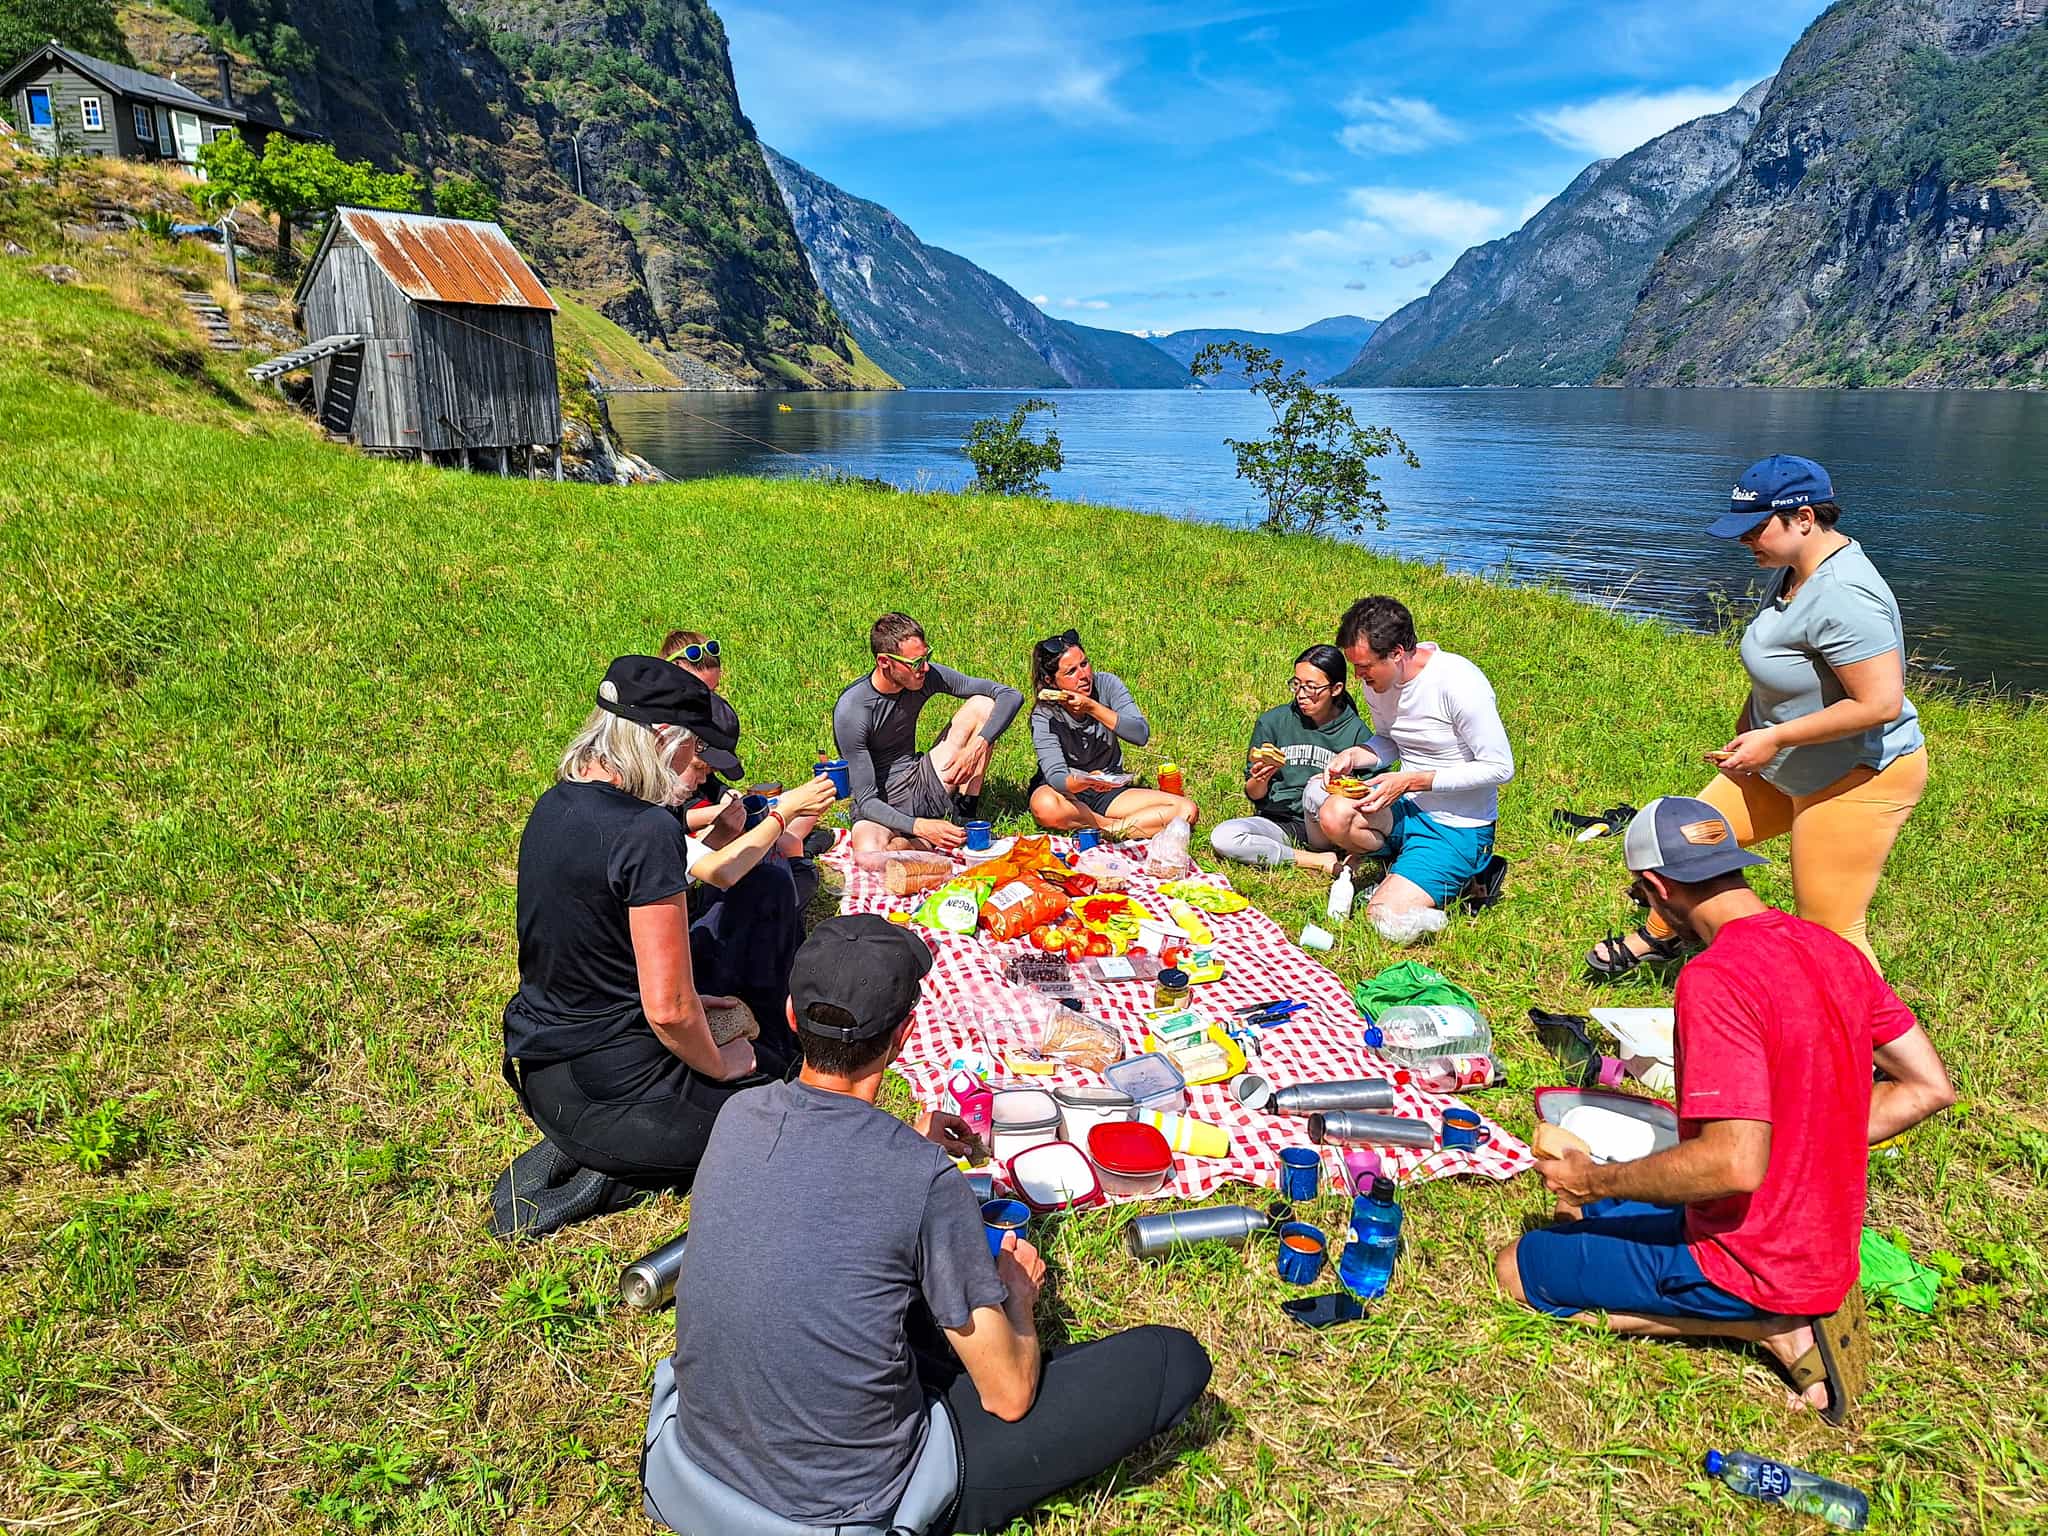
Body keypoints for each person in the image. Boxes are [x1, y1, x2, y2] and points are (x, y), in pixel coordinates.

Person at [644, 914, 1213, 1535]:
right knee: (1171, 1360)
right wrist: (1019, 1302)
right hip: (840, 1509)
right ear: (904, 1035)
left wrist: (912, 1149)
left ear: (788, 1015)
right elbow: (1008, 1394)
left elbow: (818, 1199)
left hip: (696, 1463)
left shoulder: (739, 1115)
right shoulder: (921, 1180)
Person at [1496, 797, 1954, 1426]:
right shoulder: (1832, 949)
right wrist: (1804, 1142)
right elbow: (1928, 1086)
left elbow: (1734, 1164)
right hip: (1826, 1252)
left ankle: (1759, 1324)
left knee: (1521, 1268)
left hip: (1748, 1262)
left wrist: (1590, 1175)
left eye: (1642, 898)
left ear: (1657, 888)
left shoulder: (1714, 977)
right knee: (1582, 1214)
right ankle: (1771, 1307)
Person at [1589, 455, 1927, 976]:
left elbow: (1878, 703)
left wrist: (1775, 738)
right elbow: (1780, 667)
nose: (1745, 540)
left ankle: (1878, 1049)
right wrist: (1751, 727)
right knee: (1677, 846)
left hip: (1855, 776)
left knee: (1830, 929)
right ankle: (1666, 936)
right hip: (1785, 761)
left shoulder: (1846, 595)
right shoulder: (1793, 570)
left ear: (1805, 519)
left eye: (1755, 528)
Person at [500, 656, 766, 1197]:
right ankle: (612, 1166)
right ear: (663, 739)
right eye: (694, 748)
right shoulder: (645, 830)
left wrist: (694, 998)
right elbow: (667, 1009)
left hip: (543, 1066)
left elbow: (598, 953)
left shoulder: (553, 803)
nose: (698, 766)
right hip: (608, 1095)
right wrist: (718, 1064)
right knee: (777, 1111)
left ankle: (606, 1146)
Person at [1317, 596, 1514, 921]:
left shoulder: (1459, 683)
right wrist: (1355, 755)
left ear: (1397, 653)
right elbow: (1390, 740)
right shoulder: (1378, 683)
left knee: (1382, 917)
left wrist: (1413, 780)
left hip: (1458, 826)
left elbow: (1500, 767)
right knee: (1334, 814)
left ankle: (1469, 879)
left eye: (1364, 667)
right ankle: (1405, 866)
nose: (1358, 676)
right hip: (1409, 808)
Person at [834, 612, 1024, 855]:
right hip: (880, 802)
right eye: (915, 663)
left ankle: (965, 813)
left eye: (927, 657)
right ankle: (924, 842)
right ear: (884, 662)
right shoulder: (853, 710)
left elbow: (1010, 695)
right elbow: (867, 800)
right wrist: (920, 827)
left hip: (920, 779)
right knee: (869, 854)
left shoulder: (925, 675)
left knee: (984, 705)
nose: (924, 668)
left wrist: (976, 748)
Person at [1208, 644, 1378, 875]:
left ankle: (1327, 851)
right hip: (1279, 822)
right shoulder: (1273, 722)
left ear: (1336, 688)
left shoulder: (1356, 733)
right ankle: (1315, 860)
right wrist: (1260, 779)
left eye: (1311, 687)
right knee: (1224, 837)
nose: (1301, 695)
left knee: (1315, 787)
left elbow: (1372, 795)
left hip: (1326, 826)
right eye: (1296, 684)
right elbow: (1254, 795)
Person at [1025, 627, 1196, 838]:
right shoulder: (1045, 714)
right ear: (1051, 681)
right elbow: (1057, 776)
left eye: (1084, 664)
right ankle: (1111, 827)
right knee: (1044, 805)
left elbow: (1140, 734)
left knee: (1186, 810)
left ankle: (1107, 830)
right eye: (1071, 672)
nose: (1084, 675)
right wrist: (1086, 780)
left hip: (1109, 790)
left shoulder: (1106, 684)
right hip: (1068, 795)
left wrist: (1092, 707)